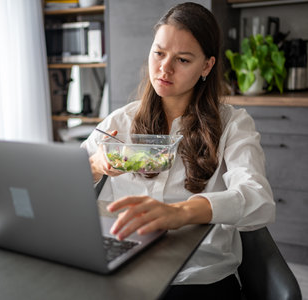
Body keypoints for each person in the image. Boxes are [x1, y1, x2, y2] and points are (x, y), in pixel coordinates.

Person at [81, 2, 275, 299]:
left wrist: (180, 212)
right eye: (158, 53)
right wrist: (96, 165)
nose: (164, 68)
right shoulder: (120, 121)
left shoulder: (234, 125)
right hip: (127, 270)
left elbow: (258, 200)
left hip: (197, 279)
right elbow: (61, 181)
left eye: (183, 60)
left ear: (207, 66)